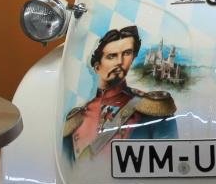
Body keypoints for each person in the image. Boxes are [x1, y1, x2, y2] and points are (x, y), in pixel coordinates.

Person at [63, 24, 178, 163]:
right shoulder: (76, 119)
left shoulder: (154, 108)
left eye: (127, 53)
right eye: (111, 56)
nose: (120, 62)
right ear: (97, 67)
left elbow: (170, 163)